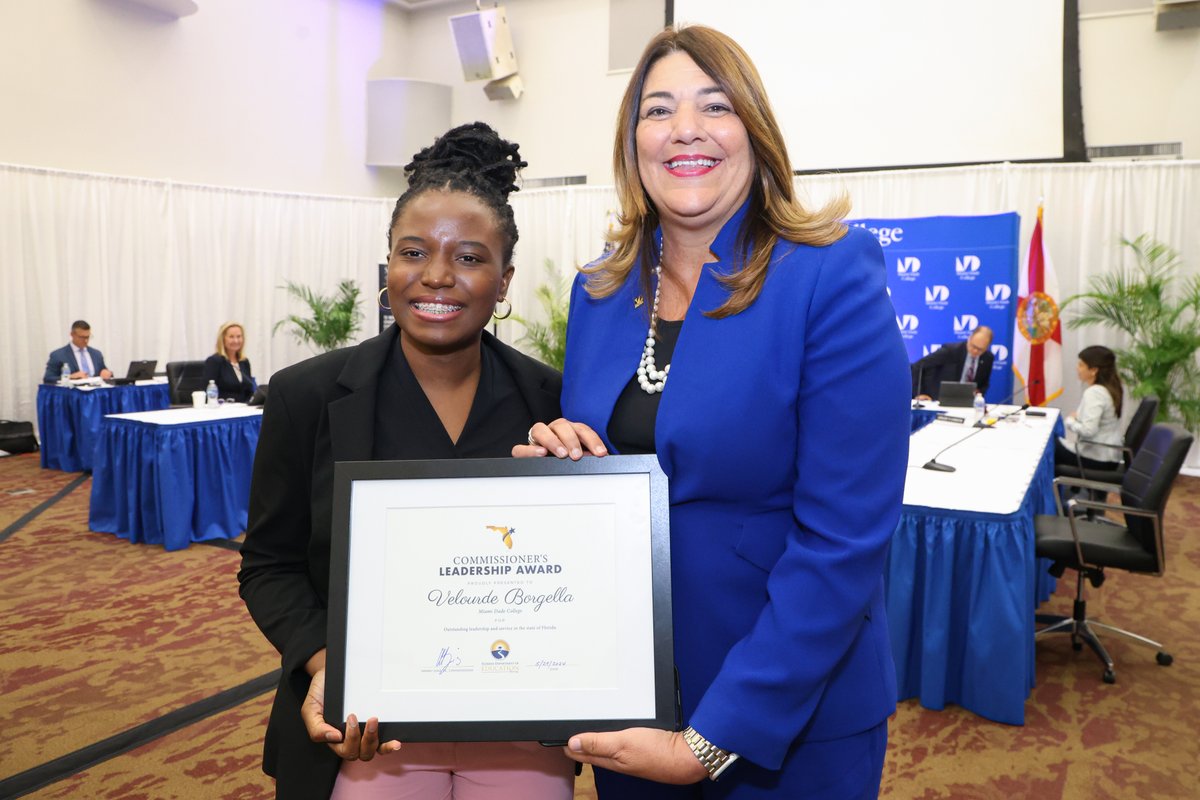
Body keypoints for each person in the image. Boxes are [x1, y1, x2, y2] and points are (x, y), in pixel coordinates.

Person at [519, 25, 910, 800]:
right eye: (658, 110)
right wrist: (556, 470)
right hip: (629, 701)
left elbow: (842, 540)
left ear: (755, 133)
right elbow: (616, 477)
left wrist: (710, 740)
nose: (685, 129)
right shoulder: (601, 289)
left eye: (715, 106)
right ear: (633, 143)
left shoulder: (829, 275)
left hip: (790, 716)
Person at [238, 123, 574, 800]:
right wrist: (331, 666)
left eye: (470, 257)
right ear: (388, 264)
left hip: (516, 721)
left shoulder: (552, 399)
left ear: (505, 280)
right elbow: (269, 565)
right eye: (413, 251)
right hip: (369, 727)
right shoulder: (307, 396)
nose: (437, 276)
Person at [1055, 345, 1125, 472]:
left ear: (1093, 370)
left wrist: (1070, 421)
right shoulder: (1111, 388)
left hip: (1096, 458)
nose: (1077, 368)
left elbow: (1088, 431)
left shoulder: (1095, 392)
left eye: (1081, 365)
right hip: (1109, 457)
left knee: (1046, 447)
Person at [911, 325, 994, 400]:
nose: (975, 351)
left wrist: (978, 393)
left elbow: (984, 384)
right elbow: (918, 366)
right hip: (939, 400)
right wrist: (920, 393)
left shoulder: (988, 358)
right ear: (969, 338)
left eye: (980, 349)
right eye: (973, 346)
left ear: (987, 347)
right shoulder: (950, 351)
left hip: (967, 402)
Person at [43, 320, 112, 382]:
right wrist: (70, 377)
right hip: (72, 394)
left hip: (95, 394)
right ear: (72, 335)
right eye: (82, 337)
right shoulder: (58, 355)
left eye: (87, 337)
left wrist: (108, 373)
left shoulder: (96, 354)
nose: (86, 341)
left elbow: (105, 373)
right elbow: (48, 378)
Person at [204, 321, 256, 402]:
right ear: (222, 339)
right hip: (223, 409)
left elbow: (248, 391)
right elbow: (207, 393)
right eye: (231, 337)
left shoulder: (244, 362)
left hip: (245, 408)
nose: (236, 341)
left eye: (239, 336)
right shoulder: (214, 361)